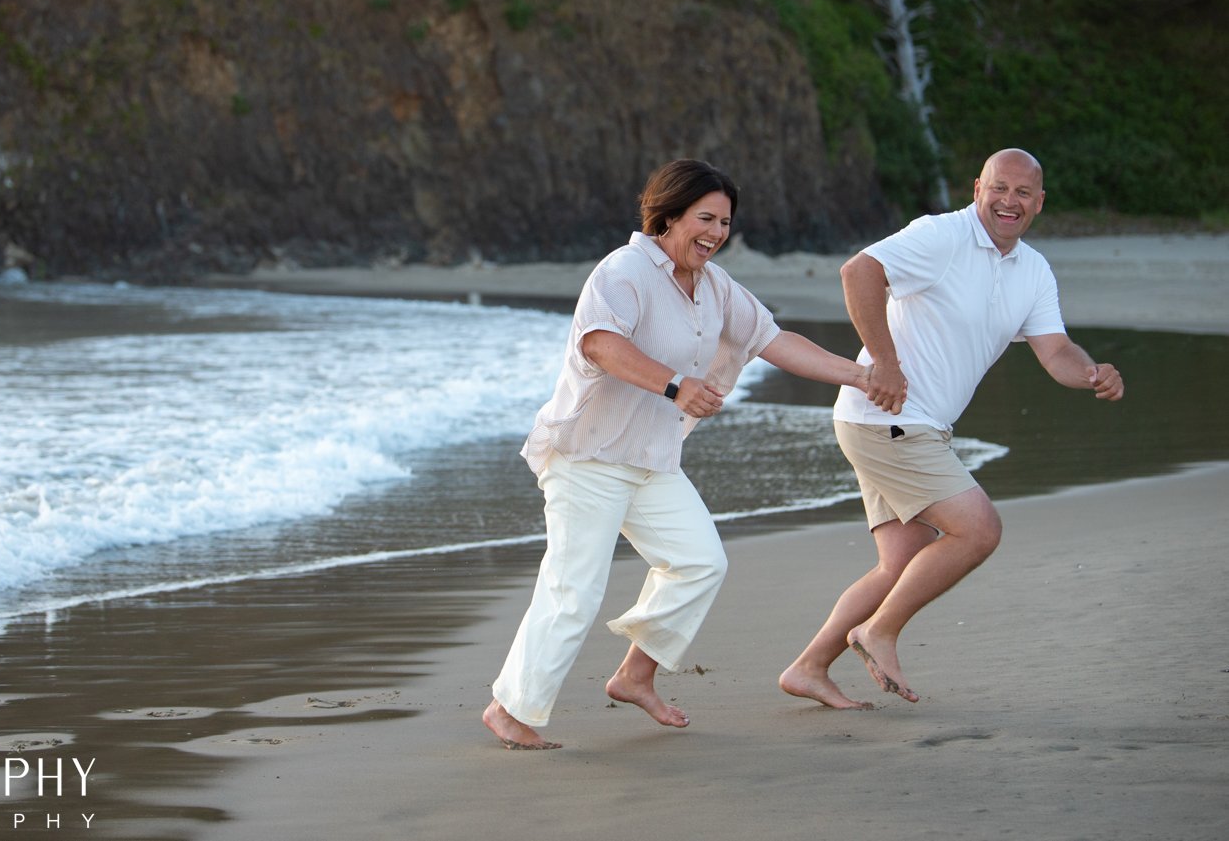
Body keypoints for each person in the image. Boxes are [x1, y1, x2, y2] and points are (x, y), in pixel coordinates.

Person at [482, 158, 875, 750]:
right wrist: (675, 384)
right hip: (588, 455)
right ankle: (510, 710)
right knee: (574, 591)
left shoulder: (714, 286)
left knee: (699, 563)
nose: (716, 233)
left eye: (724, 222)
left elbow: (772, 340)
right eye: (705, 218)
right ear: (668, 216)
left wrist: (861, 375)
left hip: (652, 458)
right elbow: (600, 344)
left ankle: (635, 676)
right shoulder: (624, 271)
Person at [778, 147, 1125, 710]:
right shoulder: (942, 236)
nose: (1009, 201)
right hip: (886, 417)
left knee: (901, 562)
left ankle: (810, 667)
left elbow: (1055, 349)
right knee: (978, 529)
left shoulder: (1033, 270)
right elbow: (859, 271)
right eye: (999, 188)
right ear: (977, 188)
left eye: (1022, 193)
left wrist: (1090, 373)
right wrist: (884, 364)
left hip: (914, 427)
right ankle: (878, 632)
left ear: (1040, 202)